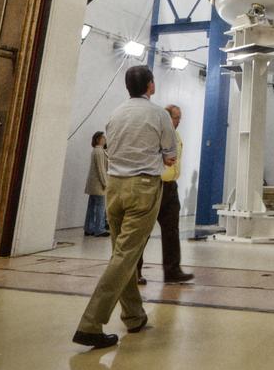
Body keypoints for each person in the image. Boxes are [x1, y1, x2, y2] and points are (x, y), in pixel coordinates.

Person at [73, 65, 177, 350]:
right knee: (125, 256)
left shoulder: (115, 113)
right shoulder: (159, 115)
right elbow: (170, 156)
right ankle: (90, 323)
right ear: (151, 86)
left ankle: (133, 315)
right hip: (143, 188)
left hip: (114, 188)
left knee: (122, 253)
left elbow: (109, 148)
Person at [157, 104, 192, 283]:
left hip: (171, 186)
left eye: (180, 117)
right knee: (144, 231)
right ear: (167, 117)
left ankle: (172, 271)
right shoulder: (157, 134)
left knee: (172, 229)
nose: (179, 121)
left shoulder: (176, 136)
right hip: (156, 186)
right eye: (176, 117)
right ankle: (135, 271)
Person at [85, 132, 109, 237]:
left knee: (91, 206)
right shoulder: (99, 151)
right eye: (103, 137)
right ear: (98, 139)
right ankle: (99, 229)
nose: (105, 139)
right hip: (99, 184)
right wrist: (105, 183)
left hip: (93, 184)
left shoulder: (96, 150)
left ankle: (89, 228)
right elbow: (101, 169)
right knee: (100, 206)